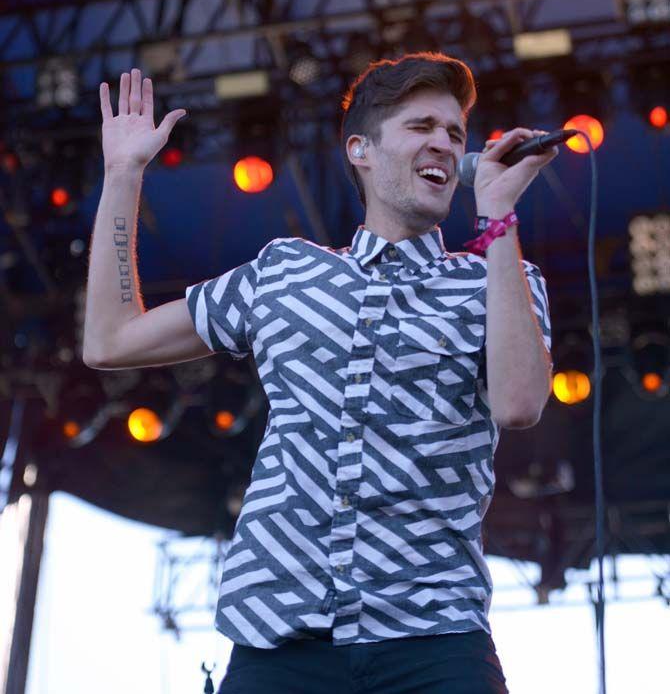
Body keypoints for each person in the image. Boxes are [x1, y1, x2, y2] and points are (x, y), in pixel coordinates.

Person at [84, 54, 556, 694]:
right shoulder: (283, 273)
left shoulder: (499, 281)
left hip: (435, 637)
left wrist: (498, 216)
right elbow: (110, 341)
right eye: (421, 126)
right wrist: (122, 174)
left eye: (454, 133)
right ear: (361, 149)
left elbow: (520, 403)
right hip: (279, 639)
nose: (443, 142)